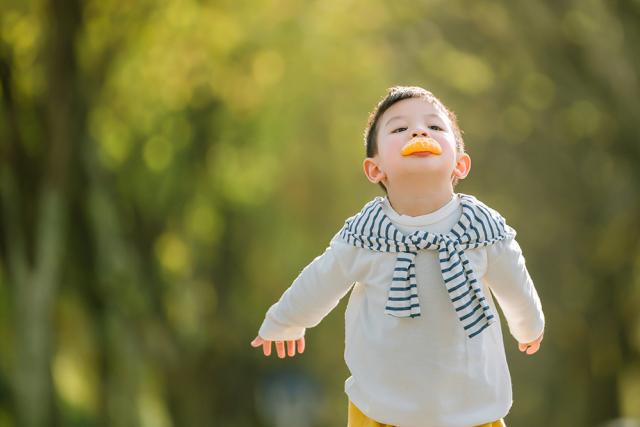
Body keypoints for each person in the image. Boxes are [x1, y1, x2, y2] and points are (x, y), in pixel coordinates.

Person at [250, 85, 545, 427]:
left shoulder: (480, 229)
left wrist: (528, 326)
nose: (419, 132)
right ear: (375, 169)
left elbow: (515, 281)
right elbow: (323, 277)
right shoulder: (367, 234)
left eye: (434, 127)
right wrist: (285, 321)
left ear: (461, 165)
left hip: (469, 407)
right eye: (399, 129)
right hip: (381, 407)